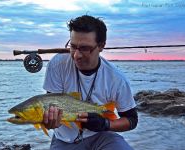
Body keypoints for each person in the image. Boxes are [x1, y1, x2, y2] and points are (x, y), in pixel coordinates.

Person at [43, 15, 138, 150]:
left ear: (101, 46)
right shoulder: (57, 64)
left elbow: (132, 120)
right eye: (73, 46)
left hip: (102, 136)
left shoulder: (117, 79)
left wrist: (105, 124)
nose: (76, 55)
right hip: (64, 140)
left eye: (85, 48)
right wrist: (50, 121)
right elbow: (50, 106)